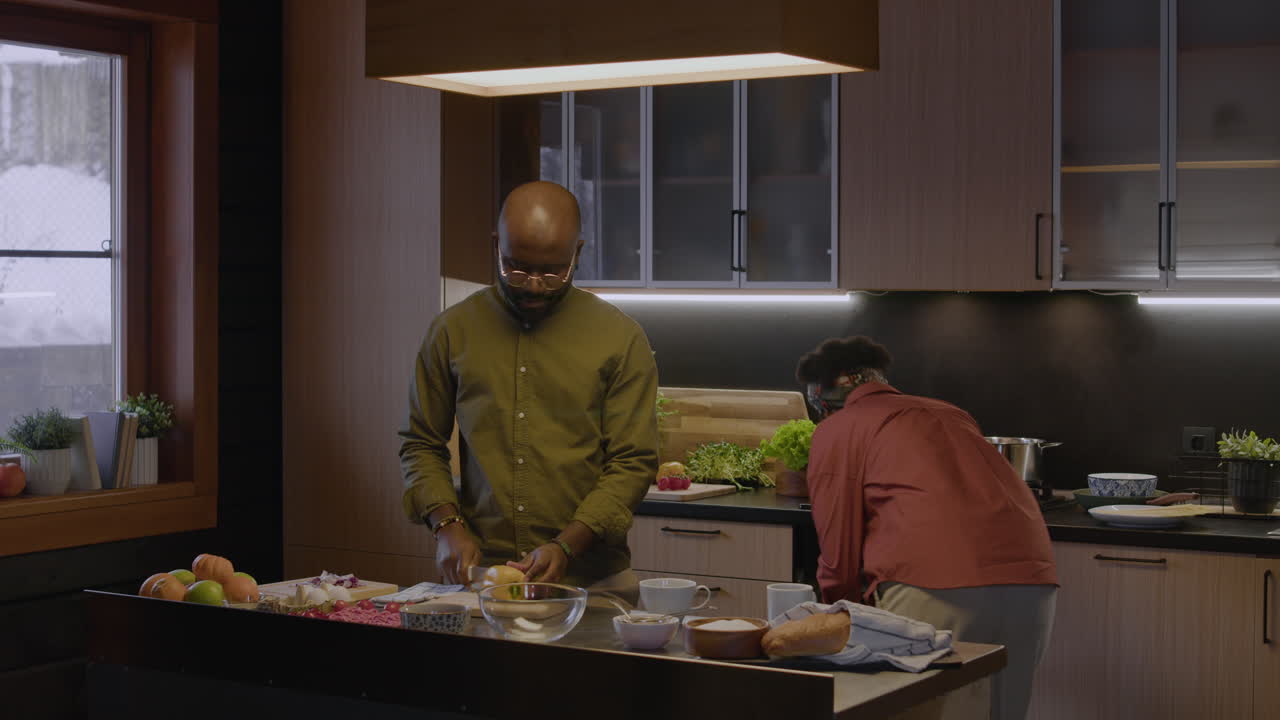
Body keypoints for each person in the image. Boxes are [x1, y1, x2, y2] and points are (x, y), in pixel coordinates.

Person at [398, 181, 658, 599]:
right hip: (486, 578)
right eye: (516, 267)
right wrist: (446, 526)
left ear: (578, 252)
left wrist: (568, 543)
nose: (534, 285)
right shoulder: (451, 332)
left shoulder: (620, 338)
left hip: (594, 582)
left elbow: (632, 462)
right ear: (497, 244)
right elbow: (421, 443)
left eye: (553, 272)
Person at [797, 335, 1058, 720]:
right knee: (999, 711)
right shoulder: (949, 412)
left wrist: (840, 617)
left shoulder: (839, 428)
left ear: (824, 394)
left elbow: (838, 546)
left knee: (920, 710)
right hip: (1033, 582)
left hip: (935, 584)